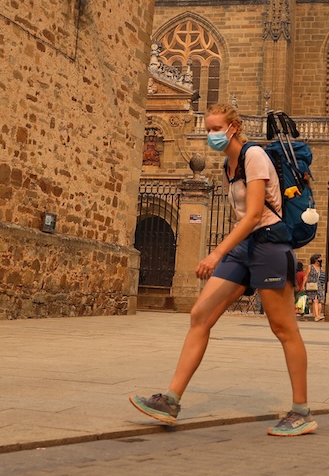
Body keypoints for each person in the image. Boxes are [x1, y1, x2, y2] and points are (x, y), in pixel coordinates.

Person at [129, 103, 316, 436]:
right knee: (200, 315)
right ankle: (171, 400)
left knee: (284, 328)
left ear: (233, 127)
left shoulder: (254, 155)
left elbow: (256, 213)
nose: (210, 134)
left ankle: (301, 411)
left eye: (216, 128)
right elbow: (240, 218)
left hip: (270, 244)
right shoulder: (228, 166)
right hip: (244, 247)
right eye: (207, 128)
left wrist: (216, 253)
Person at [307, 253, 326, 322]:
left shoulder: (319, 268)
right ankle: (317, 316)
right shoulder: (310, 266)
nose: (320, 260)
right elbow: (306, 276)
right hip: (312, 284)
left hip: (318, 285)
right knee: (315, 300)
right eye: (319, 259)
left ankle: (316, 315)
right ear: (315, 259)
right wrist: (303, 285)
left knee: (318, 300)